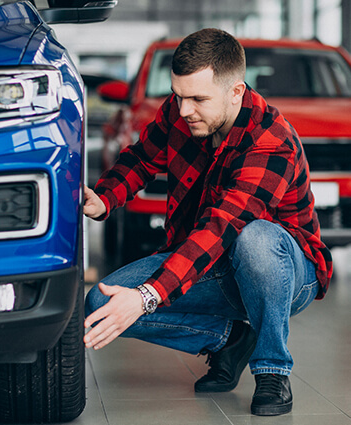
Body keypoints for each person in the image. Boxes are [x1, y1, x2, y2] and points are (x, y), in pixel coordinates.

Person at [83, 28, 332, 416]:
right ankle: (230, 341)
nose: (184, 111)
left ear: (236, 92)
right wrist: (105, 197)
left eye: (198, 99)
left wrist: (147, 296)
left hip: (284, 273)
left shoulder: (270, 140)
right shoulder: (180, 110)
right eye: (179, 96)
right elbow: (142, 158)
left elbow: (221, 228)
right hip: (213, 265)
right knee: (101, 303)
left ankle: (272, 369)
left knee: (255, 238)